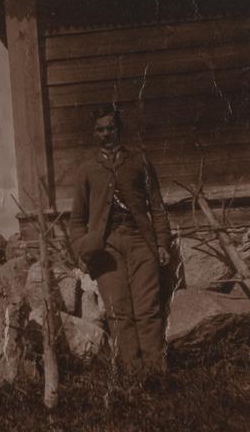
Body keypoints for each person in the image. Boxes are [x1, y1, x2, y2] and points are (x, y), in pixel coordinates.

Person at [70, 106, 173, 381]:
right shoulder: (87, 170)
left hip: (141, 242)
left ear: (119, 129)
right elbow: (77, 219)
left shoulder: (140, 162)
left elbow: (157, 207)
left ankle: (156, 375)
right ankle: (132, 377)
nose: (106, 134)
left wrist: (162, 243)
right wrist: (81, 250)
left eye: (110, 128)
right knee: (119, 312)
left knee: (147, 309)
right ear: (94, 134)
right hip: (106, 249)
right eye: (100, 130)